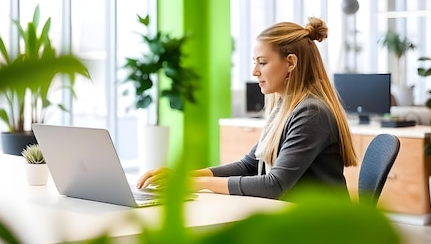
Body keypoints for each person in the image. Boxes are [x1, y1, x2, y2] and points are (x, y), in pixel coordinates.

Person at [137, 17, 357, 200]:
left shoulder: (311, 113)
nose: (255, 71)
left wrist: (198, 183)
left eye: (262, 62)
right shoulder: (285, 107)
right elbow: (249, 165)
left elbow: (274, 185)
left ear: (291, 63)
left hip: (323, 229)